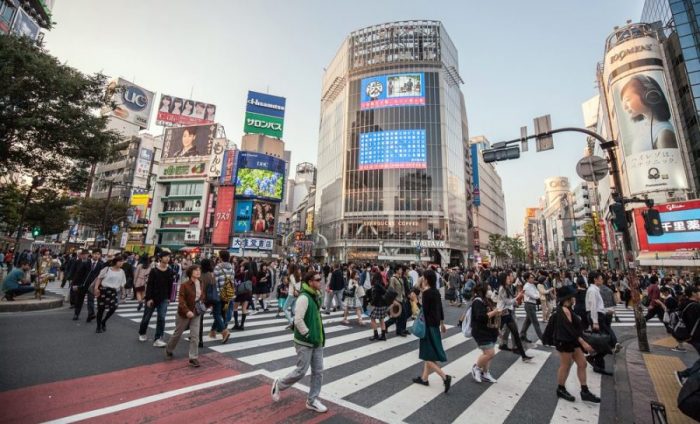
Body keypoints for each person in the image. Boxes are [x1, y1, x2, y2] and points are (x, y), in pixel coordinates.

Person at [271, 271, 328, 413]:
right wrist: (308, 334)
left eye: (320, 279)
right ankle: (279, 383)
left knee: (318, 371)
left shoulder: (315, 295)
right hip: (305, 341)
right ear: (310, 282)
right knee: (301, 371)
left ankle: (312, 400)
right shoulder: (304, 297)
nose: (320, 282)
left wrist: (316, 336)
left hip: (317, 340)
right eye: (317, 280)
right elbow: (298, 319)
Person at [553, 284, 601, 403]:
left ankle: (584, 390)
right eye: (572, 296)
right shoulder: (564, 310)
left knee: (582, 363)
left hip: (572, 340)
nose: (575, 298)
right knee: (566, 365)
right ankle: (560, 388)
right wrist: (583, 343)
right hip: (565, 341)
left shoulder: (568, 309)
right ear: (567, 298)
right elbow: (570, 329)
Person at [412, 269, 452, 393]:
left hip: (427, 327)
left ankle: (445, 377)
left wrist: (415, 301)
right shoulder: (436, 292)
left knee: (428, 356)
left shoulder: (426, 293)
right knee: (429, 354)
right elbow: (439, 309)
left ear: (427, 279)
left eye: (424, 277)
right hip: (435, 326)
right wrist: (442, 324)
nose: (422, 279)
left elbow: (423, 311)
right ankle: (424, 379)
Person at [620, 74, 678, 152]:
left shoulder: (664, 133)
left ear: (648, 95)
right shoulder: (643, 127)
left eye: (628, 100)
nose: (625, 107)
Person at [165, 265, 207, 368]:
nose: (198, 272)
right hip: (184, 313)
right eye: (195, 270)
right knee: (178, 333)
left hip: (196, 312)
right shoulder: (185, 285)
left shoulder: (201, 283)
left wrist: (203, 305)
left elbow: (202, 296)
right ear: (190, 272)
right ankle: (169, 349)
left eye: (199, 270)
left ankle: (193, 357)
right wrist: (187, 311)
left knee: (195, 335)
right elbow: (181, 300)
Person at [138, 252, 174, 347]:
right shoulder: (154, 271)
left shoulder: (170, 271)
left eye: (168, 257)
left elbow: (170, 286)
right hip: (152, 297)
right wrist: (149, 298)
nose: (167, 258)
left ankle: (158, 338)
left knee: (161, 318)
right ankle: (142, 333)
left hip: (164, 298)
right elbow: (149, 285)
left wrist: (169, 298)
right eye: (165, 256)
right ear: (160, 258)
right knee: (147, 317)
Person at [471, 282, 504, 383]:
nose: (490, 291)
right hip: (481, 331)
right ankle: (476, 368)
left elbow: (492, 316)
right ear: (483, 290)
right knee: (490, 353)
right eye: (488, 289)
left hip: (490, 331)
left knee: (488, 353)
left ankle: (485, 373)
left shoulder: (487, 300)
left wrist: (497, 330)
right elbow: (480, 317)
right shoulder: (477, 301)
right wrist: (494, 312)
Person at [585, 271, 617, 376]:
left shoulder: (594, 290)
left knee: (602, 341)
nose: (602, 280)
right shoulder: (593, 290)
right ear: (595, 279)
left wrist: (606, 311)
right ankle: (594, 359)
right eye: (600, 278)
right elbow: (593, 306)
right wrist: (595, 321)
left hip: (598, 315)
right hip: (596, 317)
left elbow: (596, 306)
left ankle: (598, 364)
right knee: (607, 340)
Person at [497, 271, 532, 361]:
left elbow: (510, 301)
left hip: (507, 314)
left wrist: (517, 298)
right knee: (494, 333)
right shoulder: (502, 289)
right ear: (504, 279)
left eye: (509, 277)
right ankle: (498, 344)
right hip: (502, 314)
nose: (509, 279)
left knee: (515, 333)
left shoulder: (507, 287)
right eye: (508, 278)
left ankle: (523, 356)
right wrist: (518, 297)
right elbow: (507, 302)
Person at [94, 255, 126, 333]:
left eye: (122, 261)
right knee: (101, 309)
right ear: (115, 262)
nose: (122, 263)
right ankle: (98, 327)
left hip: (113, 292)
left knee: (114, 307)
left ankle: (104, 321)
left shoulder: (122, 271)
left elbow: (122, 284)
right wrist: (96, 288)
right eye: (120, 261)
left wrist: (123, 293)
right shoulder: (107, 269)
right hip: (103, 290)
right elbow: (99, 278)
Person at [675, 286, 700, 385]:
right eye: (698, 292)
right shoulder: (695, 306)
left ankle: (685, 374)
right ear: (693, 294)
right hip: (695, 336)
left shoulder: (685, 303)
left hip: (691, 335)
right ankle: (684, 375)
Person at [202, 258, 229, 344]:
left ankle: (194, 335)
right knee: (217, 315)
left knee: (198, 316)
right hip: (217, 297)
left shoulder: (202, 275)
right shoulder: (213, 274)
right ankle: (219, 332)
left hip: (206, 299)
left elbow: (202, 289)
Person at [72, 251, 104, 322]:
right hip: (83, 284)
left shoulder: (101, 265)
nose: (96, 255)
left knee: (91, 300)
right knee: (79, 300)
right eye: (95, 254)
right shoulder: (85, 263)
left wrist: (99, 286)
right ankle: (76, 314)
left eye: (98, 254)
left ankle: (90, 314)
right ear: (92, 254)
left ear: (100, 256)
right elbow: (78, 274)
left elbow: (101, 276)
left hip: (93, 285)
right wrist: (75, 284)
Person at [520, 272, 544, 343]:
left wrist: (538, 294)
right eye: (531, 277)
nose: (533, 278)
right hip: (529, 305)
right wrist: (538, 294)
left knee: (527, 322)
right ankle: (542, 338)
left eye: (533, 277)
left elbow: (537, 293)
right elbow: (535, 296)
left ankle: (522, 335)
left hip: (532, 305)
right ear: (527, 279)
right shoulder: (526, 287)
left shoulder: (532, 285)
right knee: (535, 322)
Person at [368, 271, 388, 341]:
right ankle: (383, 335)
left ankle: (375, 335)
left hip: (377, 305)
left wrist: (371, 304)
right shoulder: (382, 284)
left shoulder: (376, 285)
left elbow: (375, 296)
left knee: (372, 319)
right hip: (383, 304)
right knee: (381, 319)